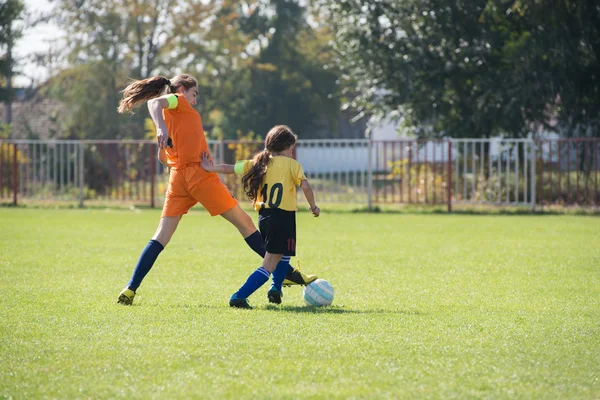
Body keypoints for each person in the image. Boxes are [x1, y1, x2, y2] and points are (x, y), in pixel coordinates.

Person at [115, 74, 317, 305]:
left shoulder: (171, 114)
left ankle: (131, 288)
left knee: (161, 236)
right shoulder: (177, 100)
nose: (195, 100)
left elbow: (163, 158)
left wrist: (165, 134)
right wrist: (161, 128)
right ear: (181, 89)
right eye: (194, 94)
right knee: (246, 225)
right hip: (200, 177)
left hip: (177, 178)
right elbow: (153, 102)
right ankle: (286, 272)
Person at [201, 125, 320, 308]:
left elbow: (230, 168)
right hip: (283, 217)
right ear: (286, 146)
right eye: (291, 148)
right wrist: (314, 207)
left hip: (265, 217)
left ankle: (276, 287)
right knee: (269, 265)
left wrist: (210, 168)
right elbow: (305, 186)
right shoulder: (292, 165)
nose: (292, 151)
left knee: (284, 253)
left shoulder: (259, 162)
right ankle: (239, 296)